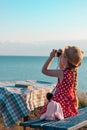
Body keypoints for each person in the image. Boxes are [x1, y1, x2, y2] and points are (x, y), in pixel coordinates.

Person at [39, 46, 84, 119]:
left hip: (59, 108)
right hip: (68, 108)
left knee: (43, 116)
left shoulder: (62, 73)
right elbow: (63, 66)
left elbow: (44, 70)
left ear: (66, 59)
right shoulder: (73, 73)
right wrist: (62, 57)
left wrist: (51, 57)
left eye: (63, 56)